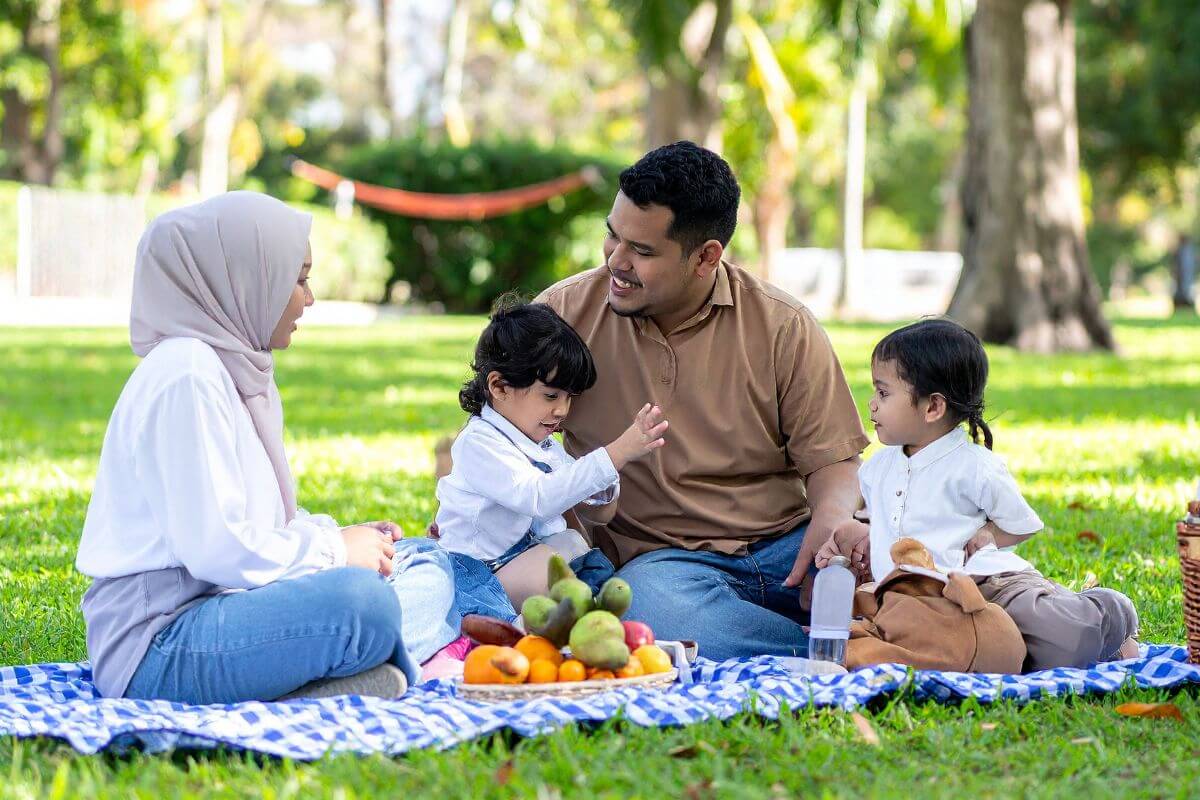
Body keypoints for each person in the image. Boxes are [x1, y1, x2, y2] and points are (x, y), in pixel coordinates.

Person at [75, 192, 461, 704]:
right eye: (298, 279)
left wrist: (346, 539)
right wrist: (334, 552)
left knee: (423, 561)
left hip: (231, 608)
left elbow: (257, 525)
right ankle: (349, 670)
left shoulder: (232, 368)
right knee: (364, 602)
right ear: (245, 278)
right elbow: (217, 549)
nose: (309, 299)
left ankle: (337, 677)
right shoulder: (186, 373)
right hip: (161, 646)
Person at [537, 141, 869, 661]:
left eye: (642, 251)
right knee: (648, 610)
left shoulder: (783, 325)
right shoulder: (561, 317)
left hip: (790, 547)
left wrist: (829, 524)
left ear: (706, 256)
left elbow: (834, 463)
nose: (616, 260)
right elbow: (496, 435)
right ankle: (854, 650)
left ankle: (871, 627)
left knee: (906, 562)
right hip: (668, 569)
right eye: (613, 234)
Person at [816, 318, 1140, 670]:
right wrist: (858, 534)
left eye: (883, 393)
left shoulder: (974, 466)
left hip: (990, 586)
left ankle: (1110, 612)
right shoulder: (876, 470)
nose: (872, 405)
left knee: (1064, 642)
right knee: (933, 651)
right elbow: (887, 521)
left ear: (932, 407)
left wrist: (989, 534)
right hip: (922, 602)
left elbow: (1022, 525)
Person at [435, 299, 668, 607]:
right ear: (500, 386)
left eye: (569, 397)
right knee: (551, 571)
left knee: (573, 543)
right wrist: (617, 453)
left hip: (518, 556)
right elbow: (540, 498)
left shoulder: (538, 442)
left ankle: (584, 602)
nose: (562, 410)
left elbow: (579, 489)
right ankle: (567, 611)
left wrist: (601, 489)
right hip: (477, 571)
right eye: (550, 396)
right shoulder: (478, 444)